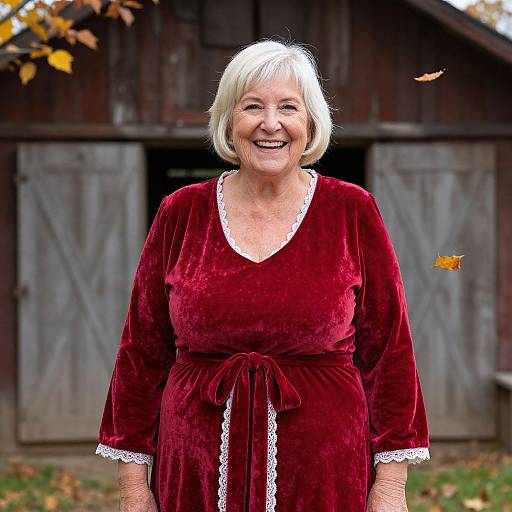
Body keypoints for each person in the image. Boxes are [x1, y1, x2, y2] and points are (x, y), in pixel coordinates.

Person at [95, 39, 430, 512]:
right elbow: (141, 352)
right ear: (229, 121)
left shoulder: (351, 210)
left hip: (325, 473)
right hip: (193, 470)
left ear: (310, 121)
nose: (270, 124)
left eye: (287, 107)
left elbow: (390, 351)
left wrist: (391, 485)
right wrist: (133, 488)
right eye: (253, 106)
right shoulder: (181, 213)